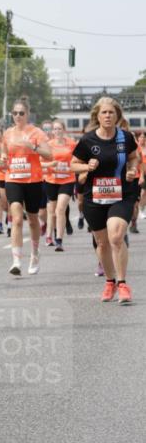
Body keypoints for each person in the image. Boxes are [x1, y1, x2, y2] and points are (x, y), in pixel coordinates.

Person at [71, 96, 139, 304]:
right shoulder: (88, 140)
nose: (108, 116)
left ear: (117, 115)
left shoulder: (125, 138)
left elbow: (134, 157)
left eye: (111, 112)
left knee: (116, 235)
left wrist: (132, 169)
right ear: (97, 116)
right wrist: (86, 167)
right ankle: (109, 282)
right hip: (95, 196)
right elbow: (74, 164)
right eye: (104, 112)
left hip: (121, 194)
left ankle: (123, 284)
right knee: (102, 243)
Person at [0, 97, 52, 277]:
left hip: (33, 180)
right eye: (15, 113)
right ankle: (16, 260)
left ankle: (35, 254)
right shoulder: (8, 134)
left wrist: (34, 147)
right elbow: (4, 155)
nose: (18, 116)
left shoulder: (36, 132)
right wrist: (3, 161)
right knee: (16, 218)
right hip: (13, 178)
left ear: (28, 114)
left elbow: (49, 155)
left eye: (21, 113)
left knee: (32, 219)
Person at [41, 119, 76, 251]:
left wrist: (71, 167)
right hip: (51, 180)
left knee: (60, 209)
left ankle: (59, 239)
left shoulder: (71, 144)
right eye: (54, 129)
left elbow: (77, 160)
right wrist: (50, 165)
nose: (57, 131)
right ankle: (49, 235)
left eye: (59, 129)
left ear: (64, 130)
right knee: (51, 211)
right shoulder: (48, 145)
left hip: (67, 180)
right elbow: (40, 163)